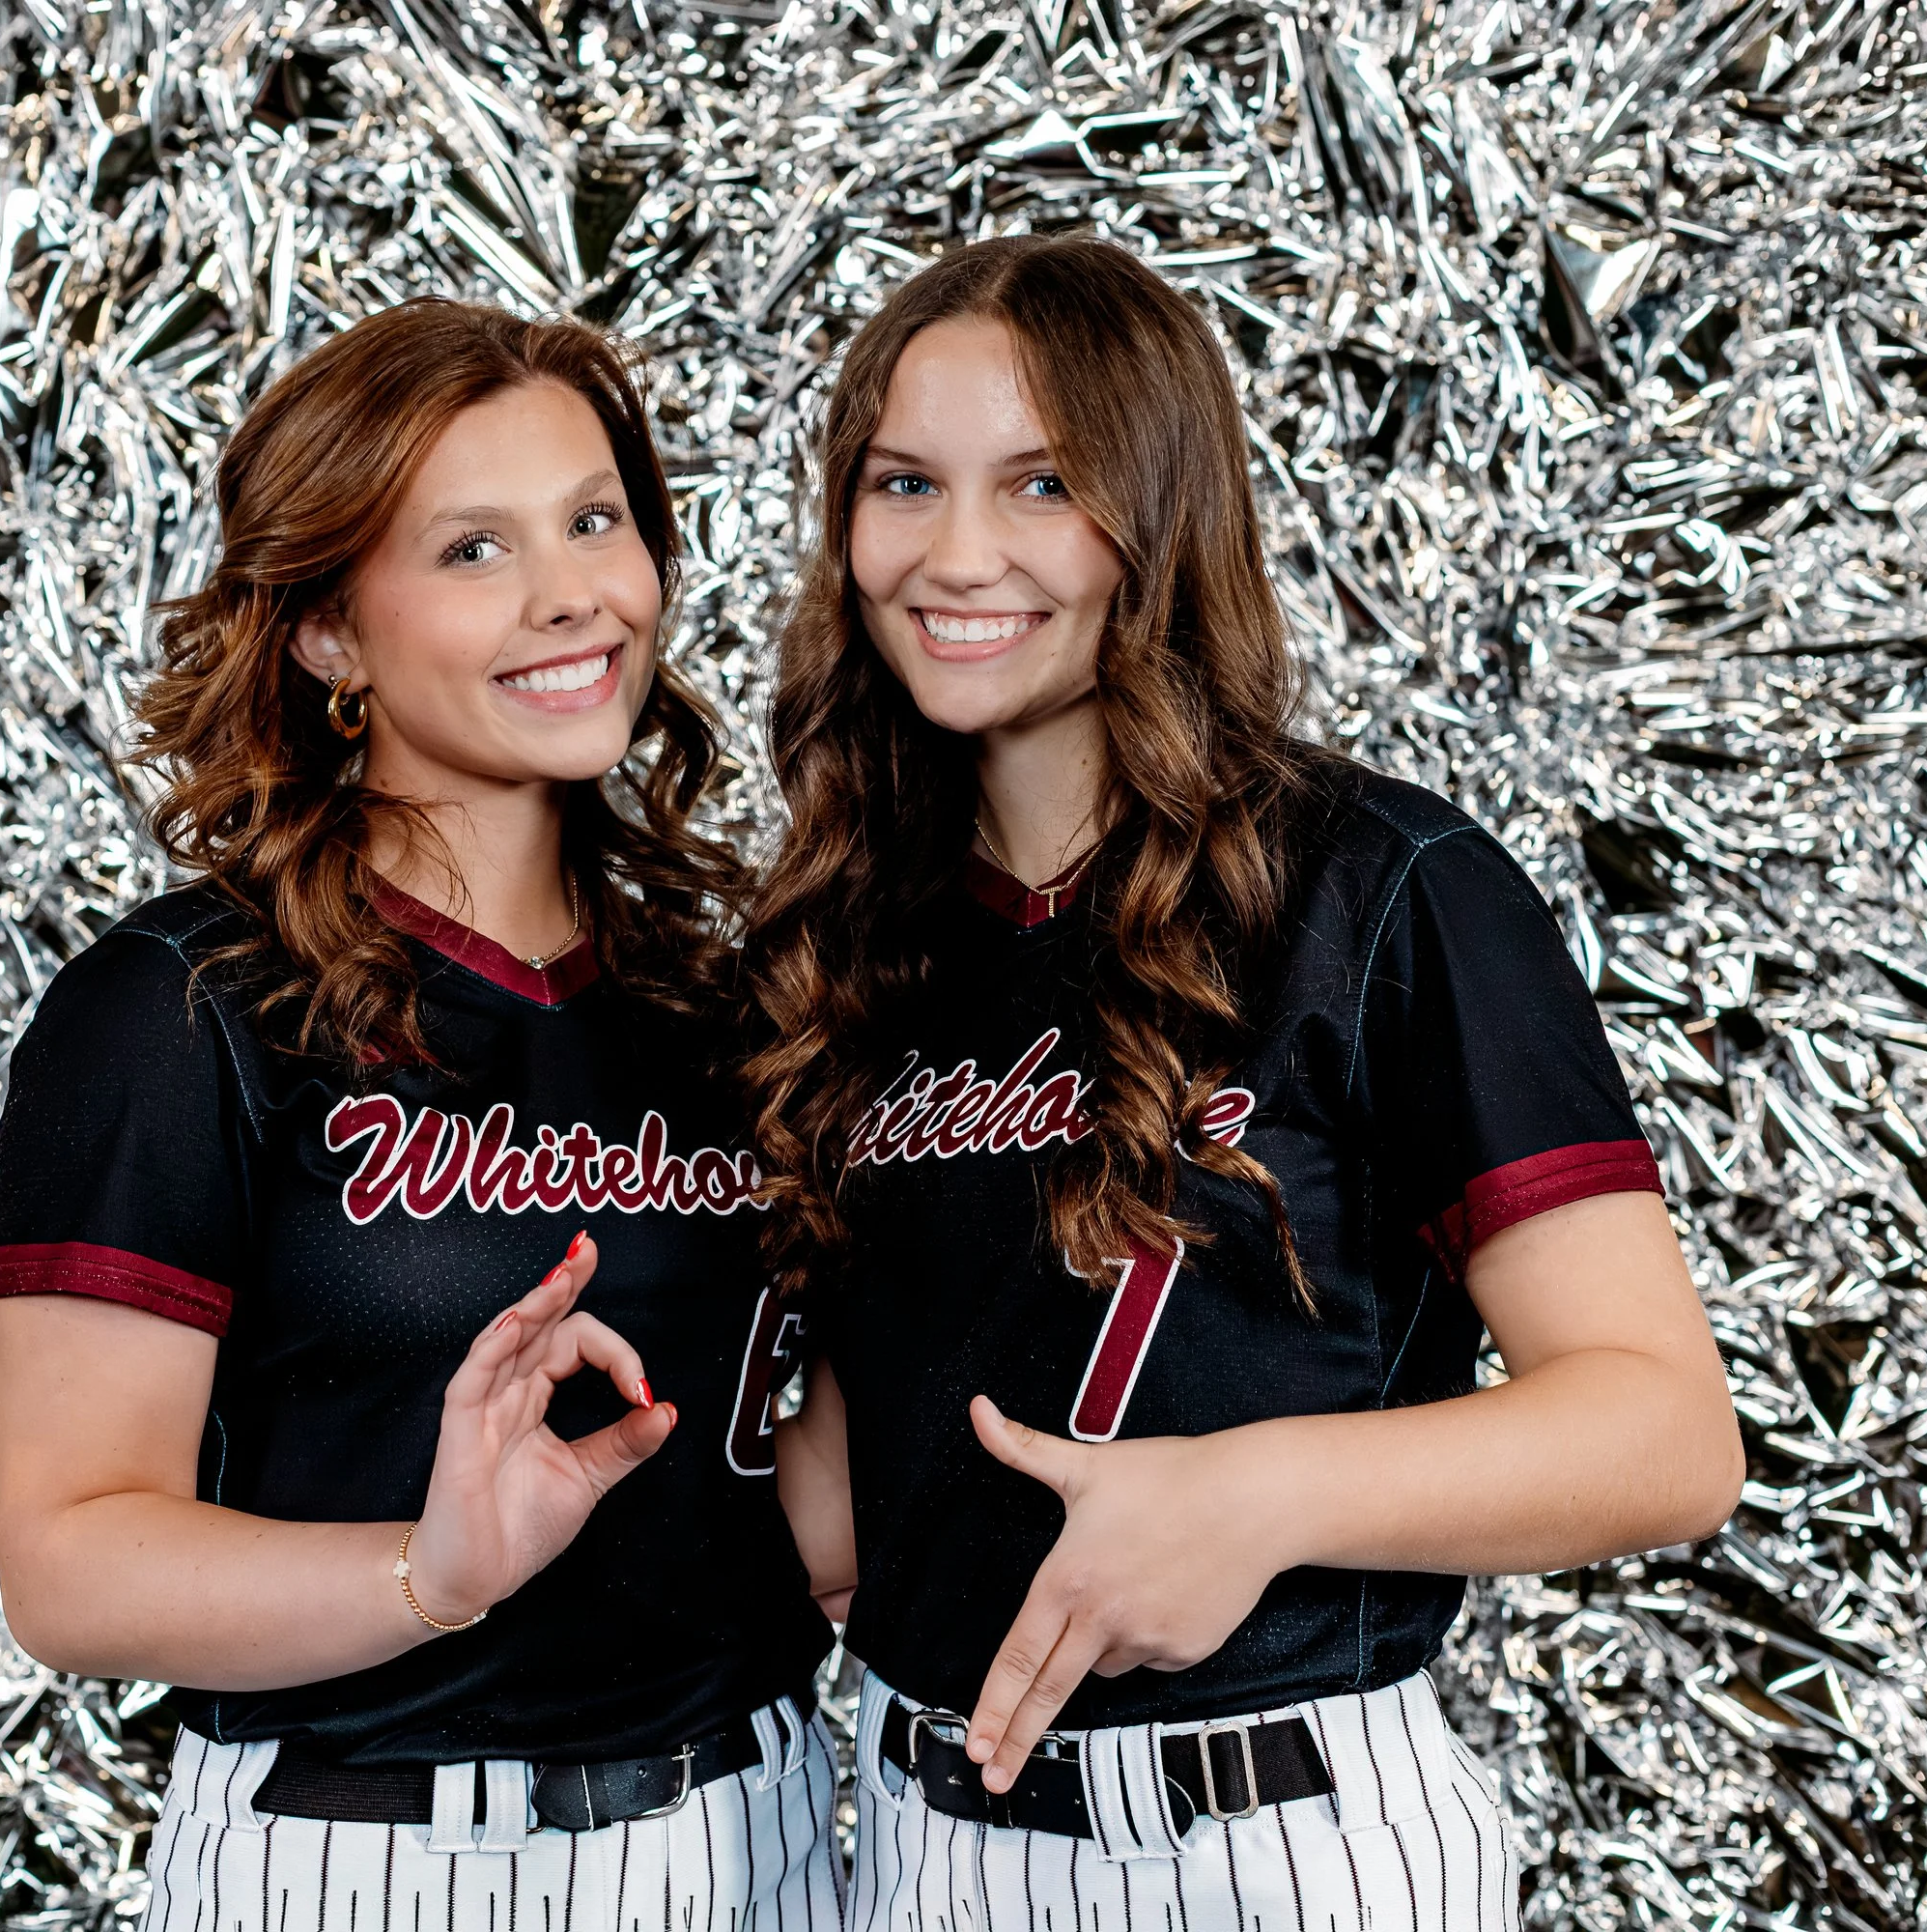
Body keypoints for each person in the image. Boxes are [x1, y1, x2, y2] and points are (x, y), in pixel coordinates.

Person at [750, 238, 1743, 1932]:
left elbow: (1667, 1431)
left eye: (1044, 483)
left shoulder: (1385, 888)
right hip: (912, 1847)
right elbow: (850, 1503)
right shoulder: (855, 943)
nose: (957, 553)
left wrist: (1254, 1495)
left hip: (1263, 1844)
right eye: (903, 483)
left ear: (1161, 509)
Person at [0, 299, 839, 1932]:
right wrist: (430, 1574)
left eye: (596, 520)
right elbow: (70, 1564)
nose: (569, 593)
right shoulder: (178, 1010)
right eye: (471, 549)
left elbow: (780, 1503)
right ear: (326, 634)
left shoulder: (731, 1010)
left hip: (759, 1839)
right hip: (372, 1856)